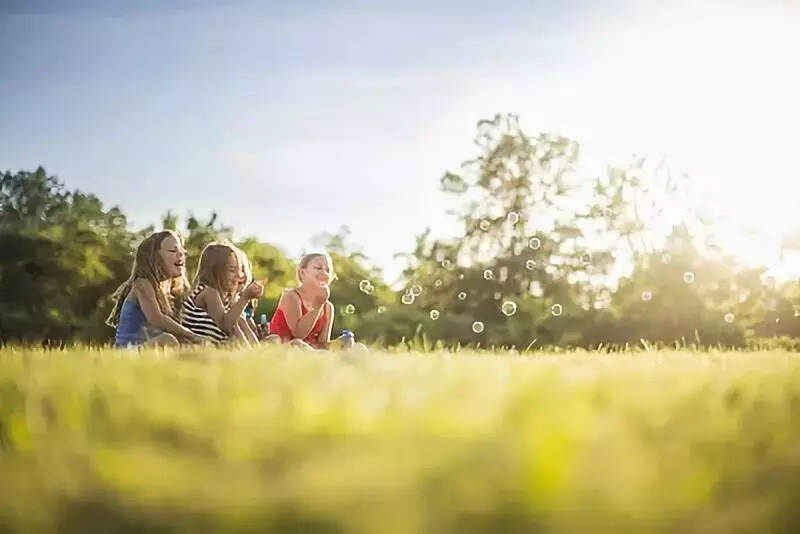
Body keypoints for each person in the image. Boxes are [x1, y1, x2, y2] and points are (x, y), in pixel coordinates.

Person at [107, 230, 207, 348]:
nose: (180, 254)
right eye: (173, 251)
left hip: (144, 348)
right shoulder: (142, 284)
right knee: (168, 340)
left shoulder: (165, 291)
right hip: (127, 351)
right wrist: (193, 335)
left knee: (187, 345)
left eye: (182, 251)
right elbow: (156, 318)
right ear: (155, 257)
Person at [182, 242, 263, 345]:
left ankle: (257, 354)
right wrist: (245, 297)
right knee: (235, 323)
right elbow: (226, 325)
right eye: (232, 270)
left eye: (239, 270)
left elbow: (239, 326)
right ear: (214, 271)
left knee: (240, 320)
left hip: (218, 345)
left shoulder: (226, 299)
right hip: (202, 347)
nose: (238, 275)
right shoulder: (209, 292)